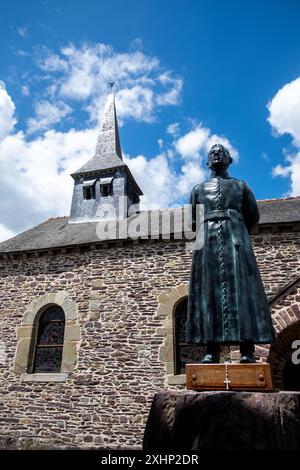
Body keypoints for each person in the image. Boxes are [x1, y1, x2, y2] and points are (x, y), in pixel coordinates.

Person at [186, 144, 275, 363]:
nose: (216, 153)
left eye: (221, 151)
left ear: (229, 159)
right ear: (207, 161)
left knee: (242, 291)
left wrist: (236, 228)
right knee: (209, 293)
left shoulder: (241, 186)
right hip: (207, 244)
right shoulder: (198, 190)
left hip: (236, 240)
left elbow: (253, 216)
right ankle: (211, 350)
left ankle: (247, 350)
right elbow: (193, 220)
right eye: (212, 152)